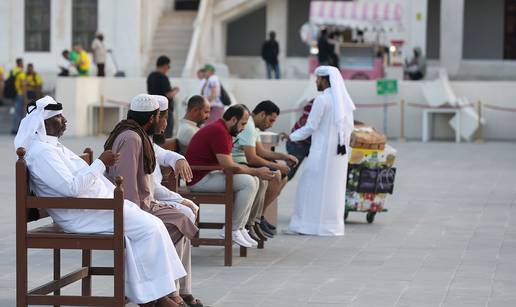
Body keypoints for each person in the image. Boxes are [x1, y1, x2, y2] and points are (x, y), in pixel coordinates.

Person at [14, 96, 185, 307]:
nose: (64, 120)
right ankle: (155, 298)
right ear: (43, 122)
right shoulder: (42, 153)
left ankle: (159, 295)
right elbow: (71, 188)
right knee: (148, 229)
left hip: (94, 207)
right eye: (58, 116)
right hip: (81, 215)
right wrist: (101, 163)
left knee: (153, 226)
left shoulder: (51, 146)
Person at [104, 94, 201, 307]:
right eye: (160, 116)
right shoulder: (132, 138)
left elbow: (159, 161)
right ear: (151, 118)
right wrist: (140, 216)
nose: (162, 121)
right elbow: (126, 184)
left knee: (182, 219)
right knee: (179, 221)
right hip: (132, 208)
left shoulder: (137, 135)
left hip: (142, 204)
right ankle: (160, 293)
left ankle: (166, 291)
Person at [186, 104, 276, 248]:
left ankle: (240, 227)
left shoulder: (223, 130)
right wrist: (256, 171)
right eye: (243, 123)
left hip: (207, 173)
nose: (244, 128)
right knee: (249, 182)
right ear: (233, 120)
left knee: (254, 180)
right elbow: (229, 165)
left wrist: (253, 172)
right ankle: (232, 229)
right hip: (198, 179)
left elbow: (228, 164)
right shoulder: (219, 131)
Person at [287, 66, 355, 236]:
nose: (316, 82)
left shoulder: (322, 100)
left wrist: (291, 137)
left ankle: (304, 225)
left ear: (325, 80)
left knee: (307, 188)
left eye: (317, 79)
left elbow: (310, 126)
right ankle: (328, 226)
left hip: (321, 152)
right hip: (338, 155)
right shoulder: (343, 101)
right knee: (332, 190)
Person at [150, 95, 204, 307]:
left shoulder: (147, 142)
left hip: (150, 199)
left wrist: (178, 158)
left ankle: (181, 289)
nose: (167, 123)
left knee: (186, 214)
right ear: (154, 118)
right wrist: (179, 199)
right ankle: (172, 292)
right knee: (182, 217)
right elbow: (149, 188)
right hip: (139, 204)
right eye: (164, 118)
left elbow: (164, 154)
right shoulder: (135, 141)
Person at [231, 100, 298, 239]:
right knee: (276, 175)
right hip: (238, 163)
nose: (271, 124)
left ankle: (259, 216)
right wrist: (277, 165)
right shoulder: (248, 126)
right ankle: (255, 219)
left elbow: (261, 152)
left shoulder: (253, 127)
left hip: (245, 161)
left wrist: (284, 156)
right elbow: (252, 158)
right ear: (262, 114)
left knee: (283, 177)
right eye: (270, 120)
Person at [280, 98, 315, 180]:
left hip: (306, 143)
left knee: (287, 174)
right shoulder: (317, 102)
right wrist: (292, 137)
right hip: (298, 143)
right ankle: (272, 191)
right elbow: (306, 124)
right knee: (286, 175)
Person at [147, 55, 179, 138]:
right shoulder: (162, 77)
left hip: (153, 109)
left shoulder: (151, 76)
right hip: (165, 111)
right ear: (165, 65)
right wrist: (175, 90)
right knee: (166, 135)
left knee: (156, 134)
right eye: (168, 66)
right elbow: (168, 94)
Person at [11, 58, 26, 135]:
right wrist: (25, 97)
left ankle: (14, 129)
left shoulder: (13, 71)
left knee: (16, 112)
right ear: (20, 63)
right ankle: (19, 129)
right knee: (21, 113)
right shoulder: (21, 73)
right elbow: (23, 85)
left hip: (14, 94)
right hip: (20, 94)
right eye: (22, 63)